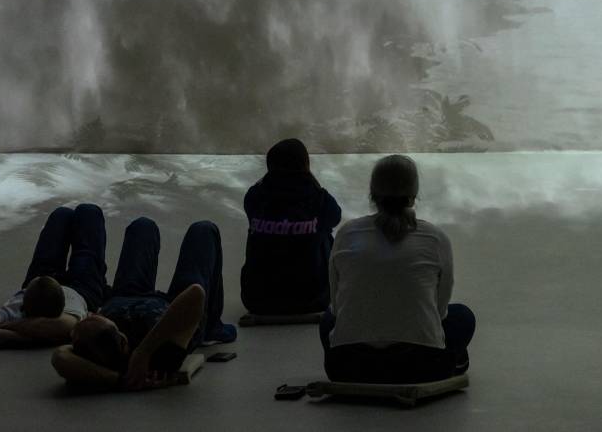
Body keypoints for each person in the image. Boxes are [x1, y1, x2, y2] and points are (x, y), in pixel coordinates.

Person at [320, 154, 475, 383]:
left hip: (347, 366)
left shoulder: (347, 234)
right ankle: (453, 360)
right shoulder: (435, 238)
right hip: (422, 366)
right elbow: (440, 310)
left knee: (327, 320)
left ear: (373, 195)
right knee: (462, 316)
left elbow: (336, 302)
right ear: (413, 197)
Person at [54, 217, 236, 390]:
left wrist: (118, 381)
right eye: (97, 317)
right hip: (177, 306)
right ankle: (213, 328)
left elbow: (59, 356)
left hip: (125, 296)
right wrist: (143, 352)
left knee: (142, 226)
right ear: (123, 340)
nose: (93, 314)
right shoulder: (158, 356)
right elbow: (196, 294)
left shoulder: (90, 348)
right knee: (203, 230)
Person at [0, 203, 108, 348]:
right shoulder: (66, 320)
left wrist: (11, 329)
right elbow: (60, 326)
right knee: (89, 211)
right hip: (82, 291)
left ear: (23, 303)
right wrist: (32, 336)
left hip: (42, 292)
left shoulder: (12, 312)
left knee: (61, 214)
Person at [240, 138, 342, 315]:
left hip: (257, 299)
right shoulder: (319, 198)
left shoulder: (255, 195)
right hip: (313, 300)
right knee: (325, 233)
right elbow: (335, 217)